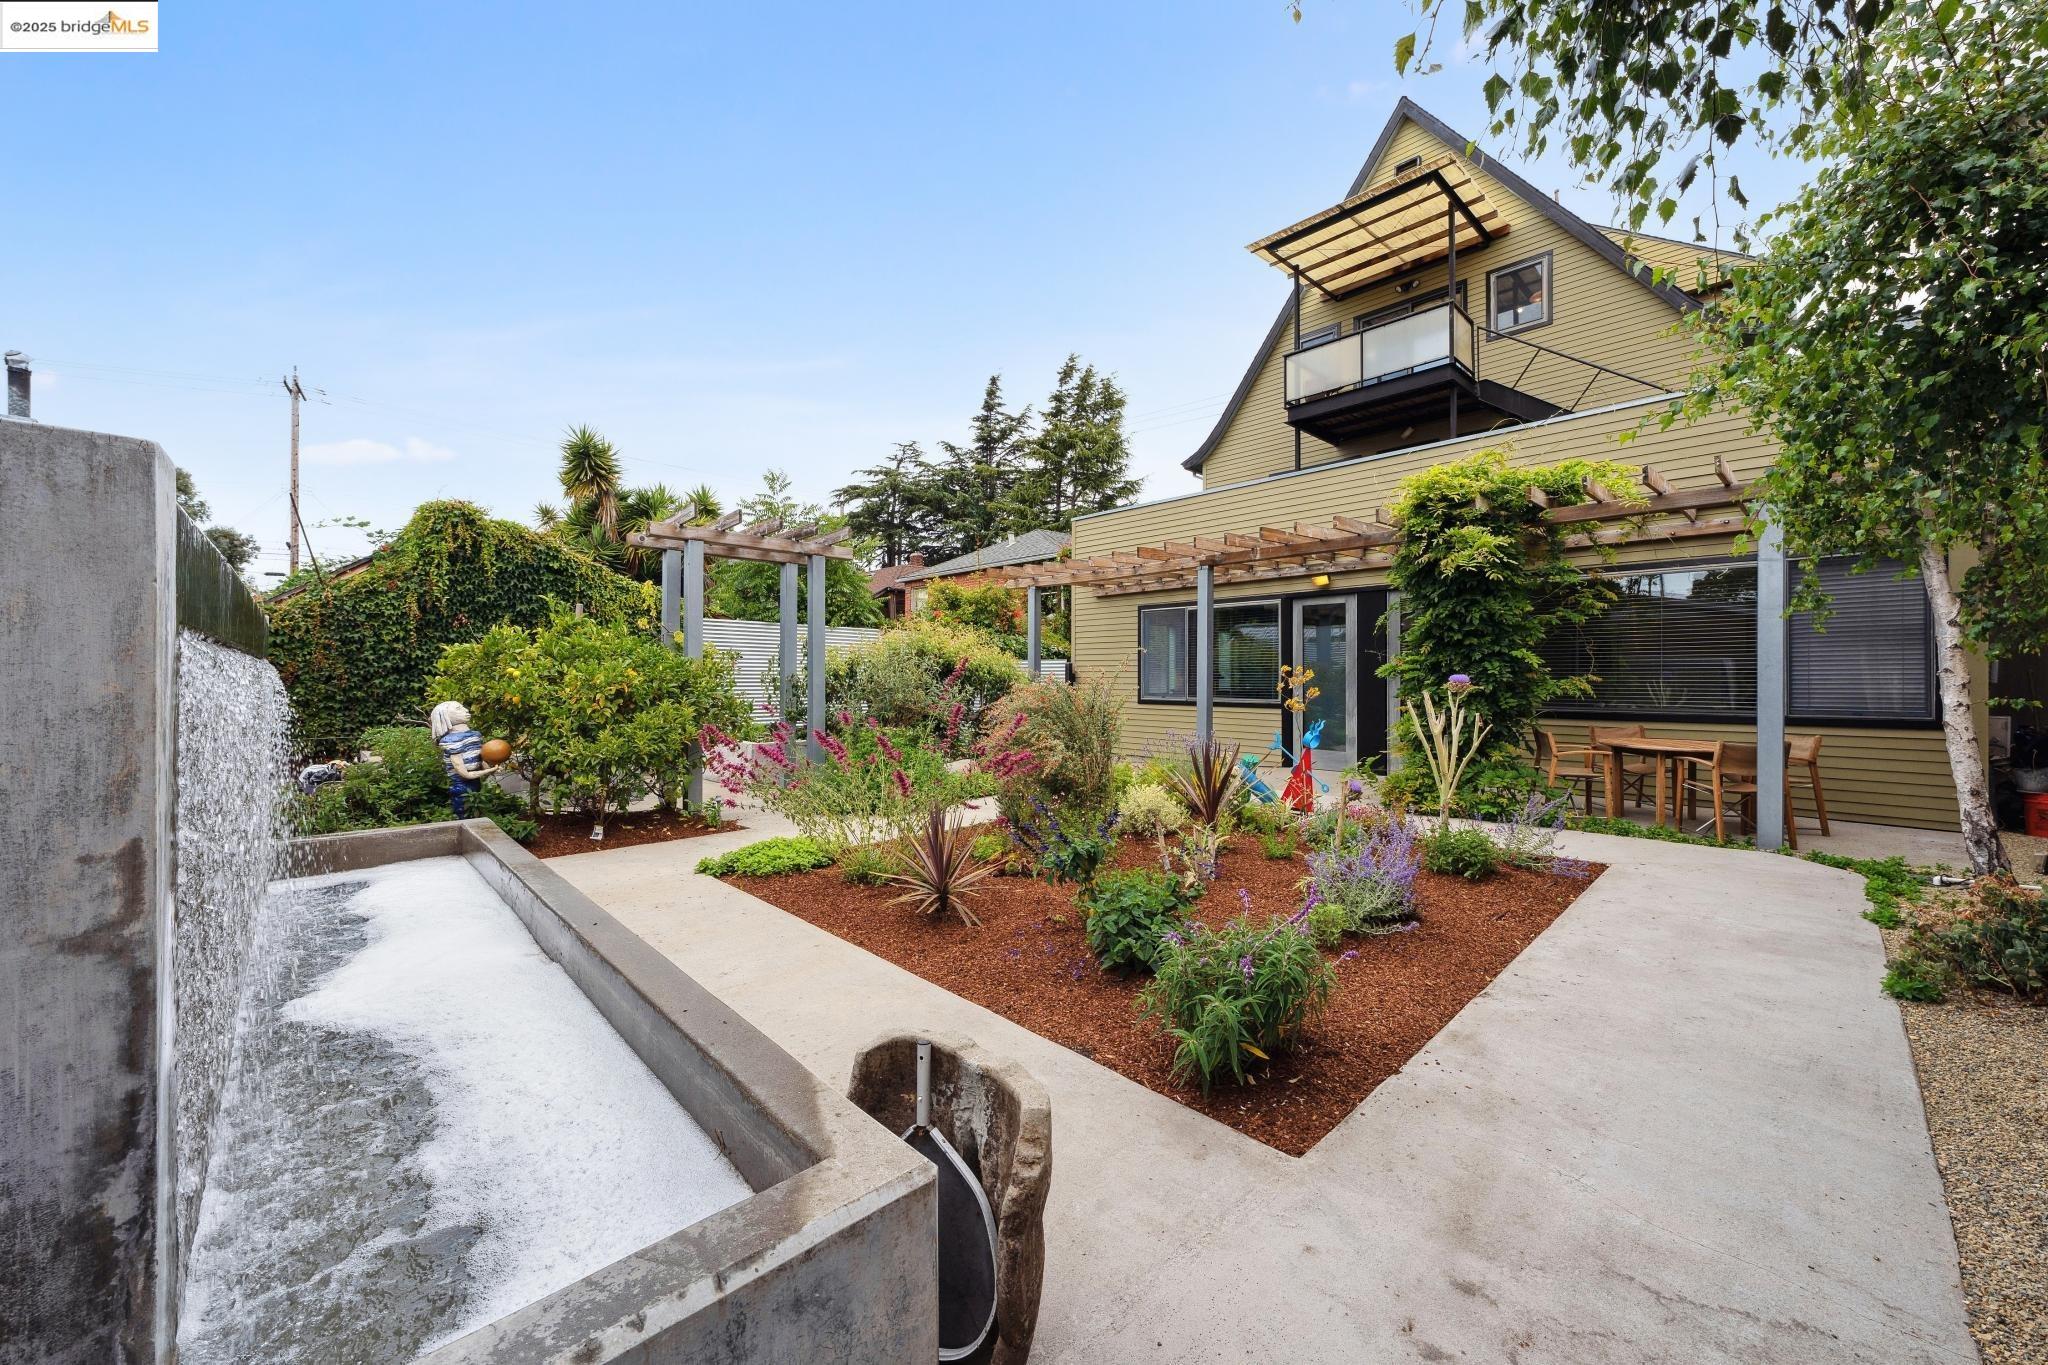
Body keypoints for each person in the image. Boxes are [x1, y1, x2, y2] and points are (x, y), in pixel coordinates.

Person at [430, 700, 499, 818]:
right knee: (465, 814)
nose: (466, 710)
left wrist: (491, 767)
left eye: (462, 707)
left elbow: (480, 758)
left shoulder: (474, 735)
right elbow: (464, 774)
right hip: (461, 786)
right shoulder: (450, 741)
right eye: (458, 709)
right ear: (445, 716)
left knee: (476, 810)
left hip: (475, 782)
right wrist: (488, 771)